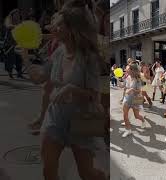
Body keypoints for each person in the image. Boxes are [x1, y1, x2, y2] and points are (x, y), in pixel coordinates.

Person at [28, 6, 106, 180]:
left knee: (87, 174)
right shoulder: (58, 52)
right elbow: (39, 78)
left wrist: (71, 88)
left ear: (72, 29)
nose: (53, 28)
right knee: (48, 168)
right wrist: (25, 58)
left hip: (81, 119)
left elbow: (95, 96)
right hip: (55, 117)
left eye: (59, 25)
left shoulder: (89, 58)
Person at [121, 63, 146, 137]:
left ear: (132, 70)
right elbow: (124, 86)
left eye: (127, 69)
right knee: (125, 115)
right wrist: (118, 80)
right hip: (127, 98)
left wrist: (131, 89)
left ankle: (143, 120)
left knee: (137, 116)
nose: (126, 70)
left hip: (136, 99)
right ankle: (128, 130)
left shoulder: (138, 79)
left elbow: (139, 91)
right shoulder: (128, 77)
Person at [3, 9, 24, 79]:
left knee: (19, 58)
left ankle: (19, 72)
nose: (17, 15)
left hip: (17, 43)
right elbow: (8, 26)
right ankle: (10, 72)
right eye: (16, 14)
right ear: (12, 14)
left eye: (18, 14)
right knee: (10, 58)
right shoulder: (8, 19)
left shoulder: (20, 22)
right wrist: (16, 26)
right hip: (9, 43)